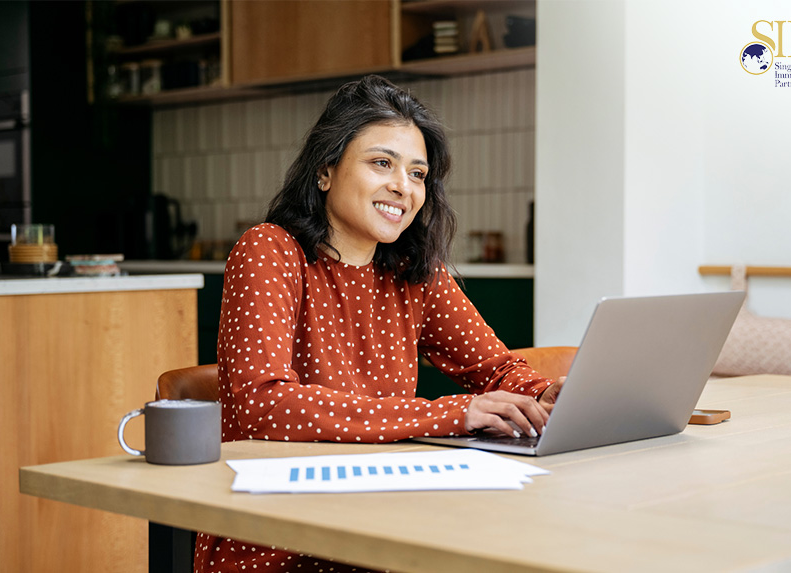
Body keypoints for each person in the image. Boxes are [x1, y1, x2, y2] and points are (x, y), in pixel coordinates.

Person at [194, 75, 563, 573]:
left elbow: (496, 371)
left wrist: (546, 397)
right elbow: (264, 404)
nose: (402, 187)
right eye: (381, 163)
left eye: (417, 173)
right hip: (277, 540)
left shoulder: (414, 272)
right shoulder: (270, 250)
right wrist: (450, 413)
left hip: (383, 527)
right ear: (326, 171)